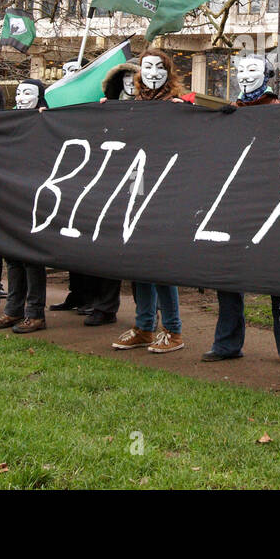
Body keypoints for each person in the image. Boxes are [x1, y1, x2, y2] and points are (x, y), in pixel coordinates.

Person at [202, 54, 280, 365]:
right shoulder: (229, 113)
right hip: (233, 206)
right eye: (241, 70)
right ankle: (227, 342)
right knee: (228, 280)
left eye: (253, 70)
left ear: (267, 76)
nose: (245, 76)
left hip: (272, 206)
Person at [51, 60, 141, 323]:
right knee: (106, 244)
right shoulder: (106, 110)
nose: (129, 86)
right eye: (123, 82)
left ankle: (146, 314)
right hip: (109, 181)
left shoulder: (157, 108)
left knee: (137, 249)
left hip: (139, 182)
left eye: (133, 81)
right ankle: (104, 304)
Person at [110, 52, 186, 354]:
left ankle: (173, 330)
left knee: (161, 263)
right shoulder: (133, 107)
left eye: (159, 67)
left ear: (169, 72)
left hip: (166, 191)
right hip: (135, 188)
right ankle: (143, 327)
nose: (152, 73)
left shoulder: (180, 106)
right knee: (138, 260)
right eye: (147, 67)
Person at [0, 78, 49, 334]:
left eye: (29, 93)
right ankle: (13, 309)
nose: (23, 97)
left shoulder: (47, 121)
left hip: (33, 198)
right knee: (12, 257)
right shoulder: (7, 121)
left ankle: (35, 313)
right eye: (20, 93)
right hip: (9, 196)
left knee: (31, 259)